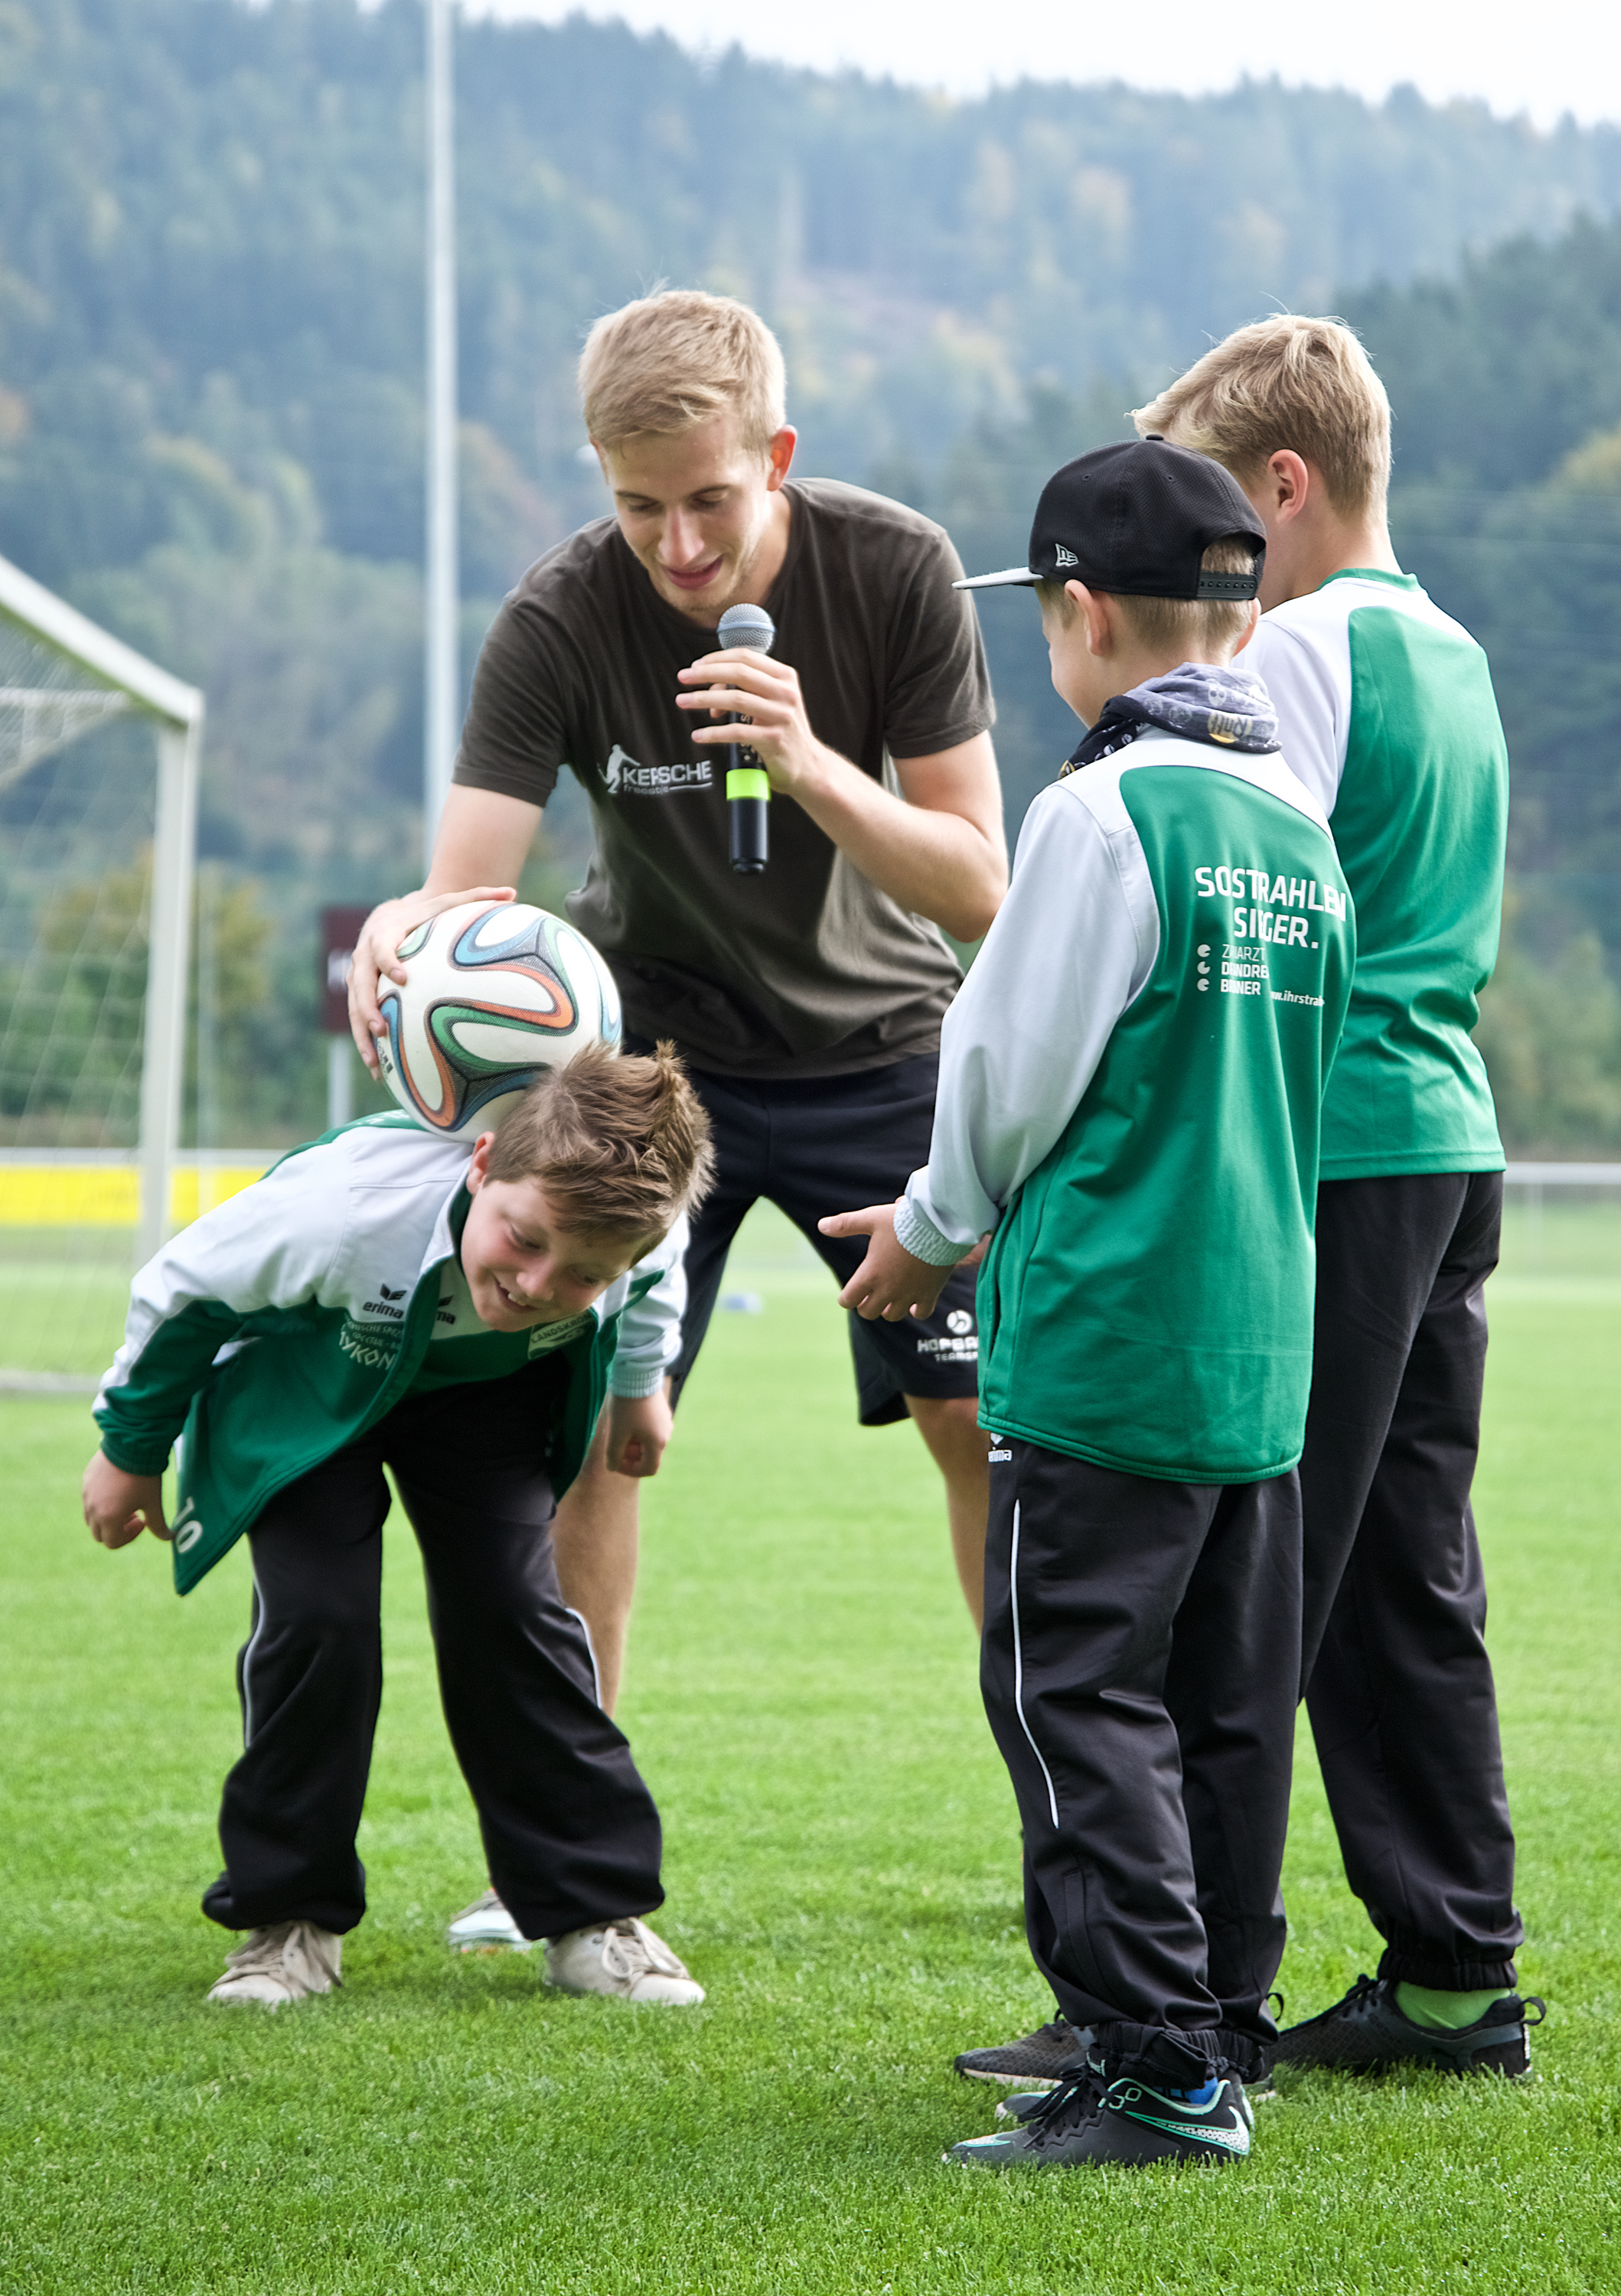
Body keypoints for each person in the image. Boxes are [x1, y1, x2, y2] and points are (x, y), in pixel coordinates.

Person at [347, 290, 1008, 1946]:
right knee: (595, 1441)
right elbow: (463, 894)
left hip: (893, 1058)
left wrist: (812, 769)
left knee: (984, 1429)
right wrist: (407, 948)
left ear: (776, 459)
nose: (678, 543)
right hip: (655, 1070)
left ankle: (1072, 1829)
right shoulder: (563, 613)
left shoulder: (896, 571)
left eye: (710, 500)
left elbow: (987, 888)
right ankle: (556, 1865)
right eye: (640, 507)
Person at [824, 439, 1354, 2167]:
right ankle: (1221, 2029)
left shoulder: (1097, 812)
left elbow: (1005, 1067)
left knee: (1078, 1696)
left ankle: (1149, 2067)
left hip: (1109, 1342)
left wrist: (926, 1228)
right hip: (1255, 1349)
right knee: (1220, 1707)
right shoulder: (1296, 824)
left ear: (1071, 612)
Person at [1120, 315, 1540, 2079]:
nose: (1207, 563)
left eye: (1220, 516)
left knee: (1249, 1595)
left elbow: (1243, 905)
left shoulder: (1291, 653)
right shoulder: (1449, 647)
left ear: (1281, 488)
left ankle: (1177, 2012)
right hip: (1448, 1145)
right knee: (1395, 1579)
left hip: (1335, 1154)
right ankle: (1452, 1984)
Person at [82, 1045, 716, 2011]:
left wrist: (640, 1394)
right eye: (526, 1238)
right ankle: (288, 1922)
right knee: (320, 1620)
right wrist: (128, 1449)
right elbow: (183, 1295)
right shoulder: (343, 1206)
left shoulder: (639, 1229)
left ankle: (591, 1914)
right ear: (483, 1165)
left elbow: (650, 1293)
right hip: (310, 1393)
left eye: (584, 1273)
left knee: (515, 1611)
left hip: (485, 1404)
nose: (543, 1283)